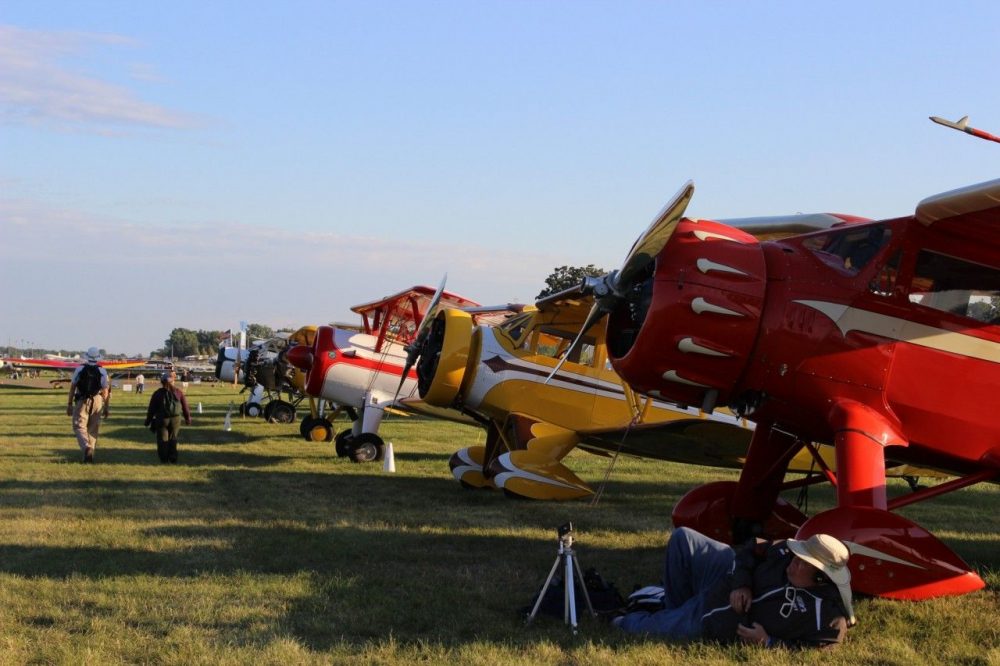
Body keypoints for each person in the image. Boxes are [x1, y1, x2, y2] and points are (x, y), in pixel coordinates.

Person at [614, 527, 854, 649]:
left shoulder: (827, 620)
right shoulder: (784, 551)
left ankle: (639, 618)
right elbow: (750, 549)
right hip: (725, 576)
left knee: (635, 627)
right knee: (683, 538)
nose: (794, 562)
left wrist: (768, 642)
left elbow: (814, 651)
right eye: (797, 556)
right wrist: (742, 584)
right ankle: (672, 608)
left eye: (803, 564)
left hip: (715, 615)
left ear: (821, 577)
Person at [66, 347, 111, 463]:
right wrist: (106, 407)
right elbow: (106, 391)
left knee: (79, 426)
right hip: (97, 400)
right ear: (97, 358)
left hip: (82, 399)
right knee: (93, 429)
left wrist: (70, 404)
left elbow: (73, 387)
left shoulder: (79, 369)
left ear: (87, 357)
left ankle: (86, 448)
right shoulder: (102, 371)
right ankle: (90, 455)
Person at [144, 370, 191, 463]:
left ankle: (164, 459)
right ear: (172, 381)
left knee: (162, 439)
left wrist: (148, 421)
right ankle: (173, 457)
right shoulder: (178, 392)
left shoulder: (157, 393)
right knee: (173, 438)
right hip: (176, 419)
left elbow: (151, 409)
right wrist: (187, 419)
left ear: (162, 382)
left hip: (162, 419)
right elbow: (185, 407)